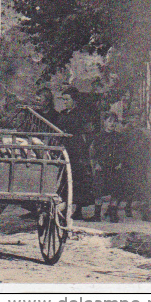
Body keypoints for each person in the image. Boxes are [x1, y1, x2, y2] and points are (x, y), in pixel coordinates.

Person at [60, 87, 97, 221]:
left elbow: (89, 132)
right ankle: (65, 207)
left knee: (79, 179)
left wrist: (84, 147)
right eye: (63, 99)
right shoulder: (63, 114)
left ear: (74, 100)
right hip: (64, 148)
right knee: (64, 178)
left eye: (67, 99)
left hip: (77, 150)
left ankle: (78, 210)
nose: (64, 102)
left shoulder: (82, 114)